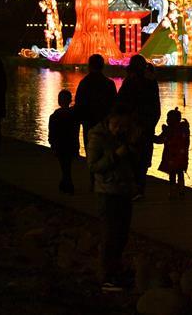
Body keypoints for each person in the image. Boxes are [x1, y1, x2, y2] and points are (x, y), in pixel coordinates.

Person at [87, 103, 137, 291]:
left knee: (122, 235)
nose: (121, 129)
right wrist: (115, 156)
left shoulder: (124, 137)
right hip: (107, 192)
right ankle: (107, 276)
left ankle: (116, 271)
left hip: (124, 190)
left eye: (124, 126)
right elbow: (93, 166)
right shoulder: (97, 137)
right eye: (117, 125)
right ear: (110, 121)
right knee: (110, 235)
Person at [116, 54, 160, 199]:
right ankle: (140, 188)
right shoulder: (151, 83)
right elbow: (156, 108)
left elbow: (121, 103)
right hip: (146, 126)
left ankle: (133, 187)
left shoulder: (130, 82)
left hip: (132, 126)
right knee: (143, 160)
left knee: (131, 157)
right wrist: (151, 124)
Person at [75, 54, 117, 188]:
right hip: (105, 124)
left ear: (89, 66)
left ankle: (93, 181)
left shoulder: (84, 83)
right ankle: (105, 180)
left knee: (91, 153)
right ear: (102, 66)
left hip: (89, 123)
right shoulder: (109, 84)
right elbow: (114, 105)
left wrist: (80, 120)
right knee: (106, 152)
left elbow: (79, 104)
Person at [153, 108, 190, 199]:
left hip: (171, 157)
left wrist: (149, 136)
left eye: (168, 118)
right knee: (180, 173)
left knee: (172, 175)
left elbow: (159, 140)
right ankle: (181, 190)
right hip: (182, 157)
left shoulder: (168, 130)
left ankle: (172, 192)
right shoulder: (184, 129)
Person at [48, 89, 80, 194]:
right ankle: (66, 182)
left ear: (59, 101)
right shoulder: (74, 115)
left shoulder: (54, 116)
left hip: (60, 145)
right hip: (71, 144)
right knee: (68, 164)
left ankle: (66, 182)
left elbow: (52, 133)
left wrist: (52, 144)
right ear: (70, 100)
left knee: (64, 164)